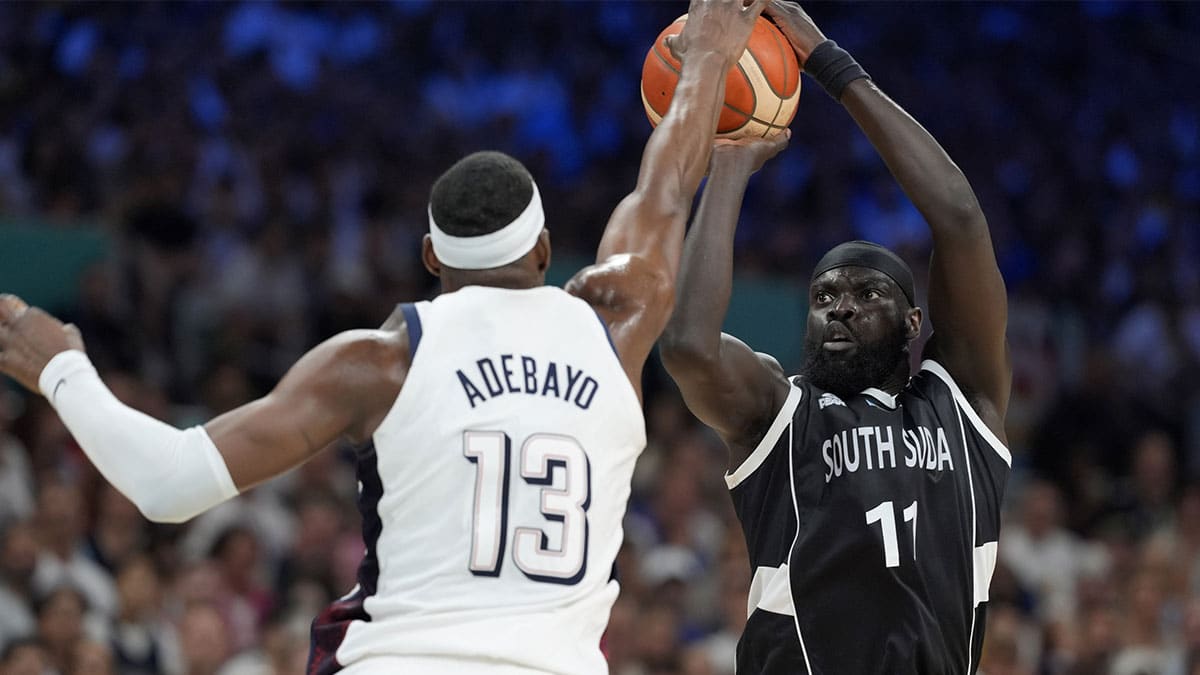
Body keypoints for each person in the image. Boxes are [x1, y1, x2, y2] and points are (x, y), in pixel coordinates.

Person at [0, 1, 767, 672]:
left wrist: (62, 366)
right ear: (542, 251)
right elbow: (665, 186)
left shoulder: (379, 359)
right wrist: (707, 53)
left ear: (431, 257)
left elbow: (168, 484)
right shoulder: (618, 321)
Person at [659, 1, 1012, 673]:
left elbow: (960, 218)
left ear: (915, 322)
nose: (841, 308)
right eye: (824, 297)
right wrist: (729, 163)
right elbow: (688, 347)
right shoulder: (781, 411)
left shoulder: (962, 406)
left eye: (866, 294)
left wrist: (828, 61)